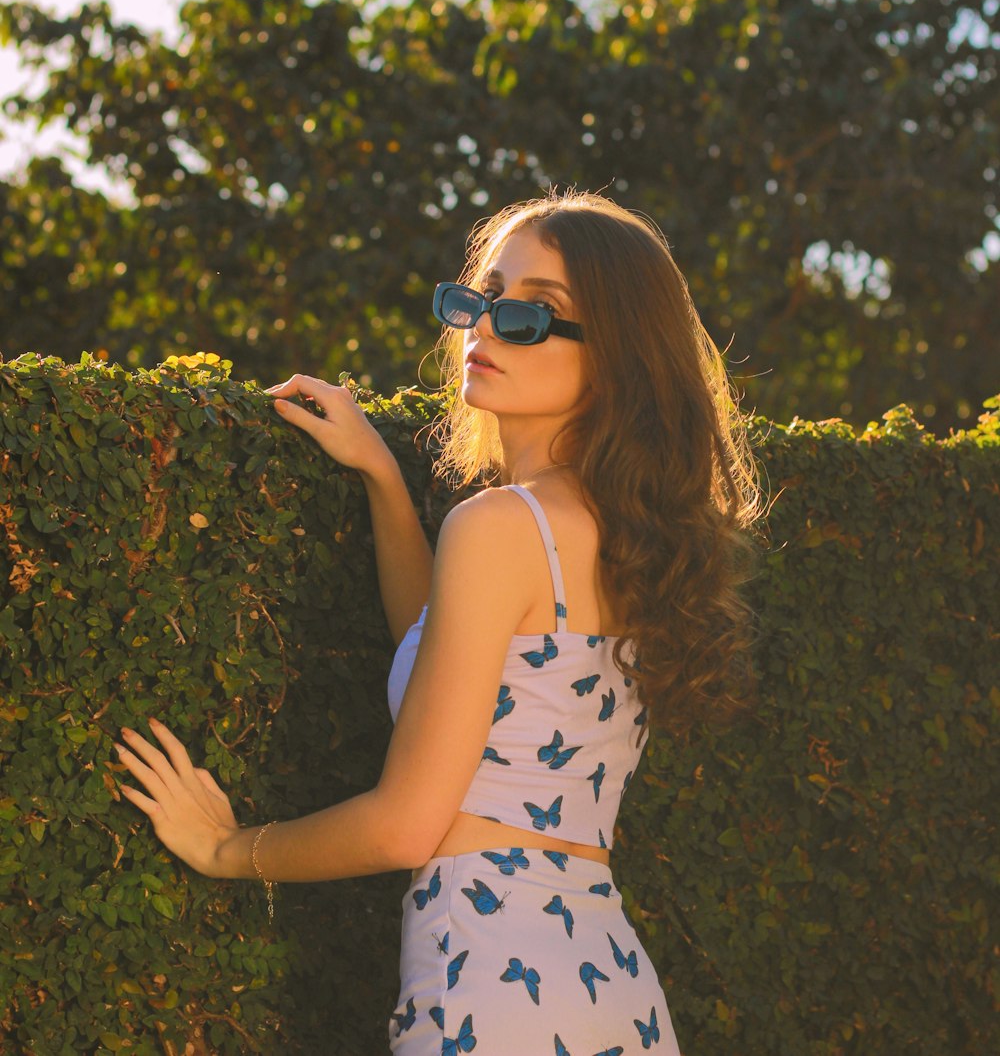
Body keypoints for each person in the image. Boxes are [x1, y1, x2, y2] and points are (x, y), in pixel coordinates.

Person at [113, 187, 764, 1054]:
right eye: (481, 298)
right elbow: (450, 658)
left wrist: (230, 848)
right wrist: (384, 477)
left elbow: (406, 823)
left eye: (534, 315)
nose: (487, 326)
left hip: (490, 983)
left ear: (616, 355)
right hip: (610, 987)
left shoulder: (501, 528)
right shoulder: (626, 533)